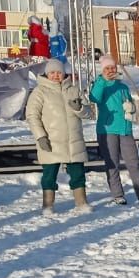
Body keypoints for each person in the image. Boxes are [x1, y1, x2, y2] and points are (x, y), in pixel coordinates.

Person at [89, 56, 139, 206]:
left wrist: (131, 108)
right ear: (102, 70)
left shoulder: (123, 86)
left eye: (112, 67)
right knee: (112, 163)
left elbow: (129, 103)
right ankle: (118, 195)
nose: (111, 71)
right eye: (107, 68)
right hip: (107, 129)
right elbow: (93, 97)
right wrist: (102, 80)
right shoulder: (100, 84)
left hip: (125, 129)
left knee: (133, 163)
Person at [27, 59, 91, 216]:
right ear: (47, 74)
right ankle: (47, 205)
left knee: (78, 173)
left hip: (73, 141)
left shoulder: (73, 90)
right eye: (52, 73)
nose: (56, 75)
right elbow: (32, 116)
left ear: (64, 73)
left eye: (59, 72)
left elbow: (88, 113)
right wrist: (40, 136)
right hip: (51, 141)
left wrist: (80, 108)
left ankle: (81, 202)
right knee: (49, 174)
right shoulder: (39, 92)